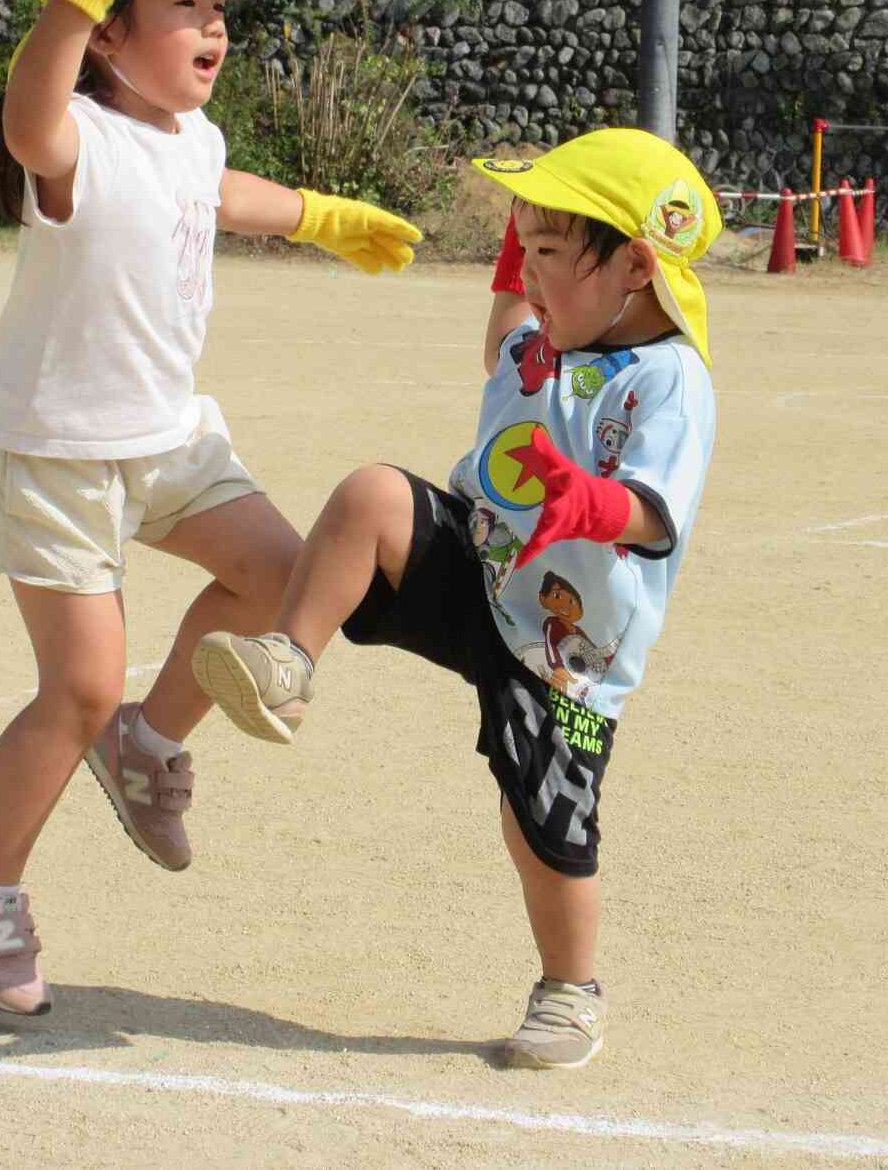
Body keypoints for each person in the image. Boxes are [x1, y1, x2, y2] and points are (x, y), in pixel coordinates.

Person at [0, 0, 423, 1017]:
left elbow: (217, 194)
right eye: (184, 5)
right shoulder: (74, 140)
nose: (214, 25)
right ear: (107, 32)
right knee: (78, 688)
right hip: (61, 452)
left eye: (217, 7)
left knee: (283, 578)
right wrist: (68, 1)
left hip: (169, 435)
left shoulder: (197, 137)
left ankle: (146, 745)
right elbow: (28, 121)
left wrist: (321, 215)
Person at [189, 128, 721, 1069]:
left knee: (540, 826)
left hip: (564, 647)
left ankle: (569, 990)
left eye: (551, 251)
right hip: (478, 566)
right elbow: (501, 329)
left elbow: (650, 508)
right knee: (371, 496)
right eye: (527, 248)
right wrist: (524, 237)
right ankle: (288, 663)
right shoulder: (544, 338)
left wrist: (590, 502)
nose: (531, 275)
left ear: (637, 266)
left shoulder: (668, 379)